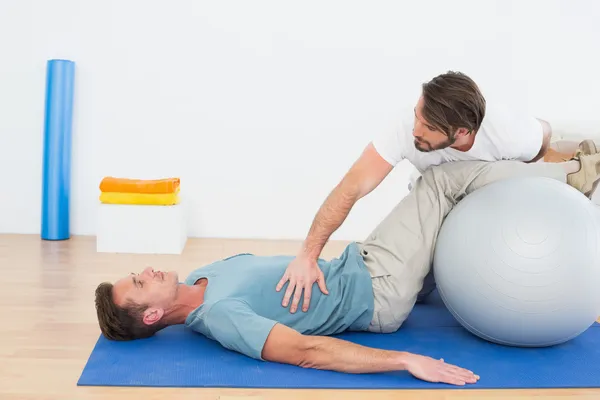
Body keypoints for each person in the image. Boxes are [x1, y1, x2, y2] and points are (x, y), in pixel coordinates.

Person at [94, 151, 600, 387]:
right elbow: (307, 352)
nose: (146, 270)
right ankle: (572, 175)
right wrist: (404, 360)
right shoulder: (221, 317)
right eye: (139, 283)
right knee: (440, 184)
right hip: (378, 289)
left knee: (436, 207)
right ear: (154, 315)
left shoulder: (205, 274)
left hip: (361, 263)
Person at [275, 70, 599, 313]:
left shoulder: (508, 131)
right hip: (448, 204)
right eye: (418, 115)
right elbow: (351, 187)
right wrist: (308, 255)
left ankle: (583, 165)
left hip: (495, 195)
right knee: (415, 292)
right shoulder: (404, 129)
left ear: (461, 132)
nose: (416, 130)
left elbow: (541, 148)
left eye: (428, 127)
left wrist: (568, 175)